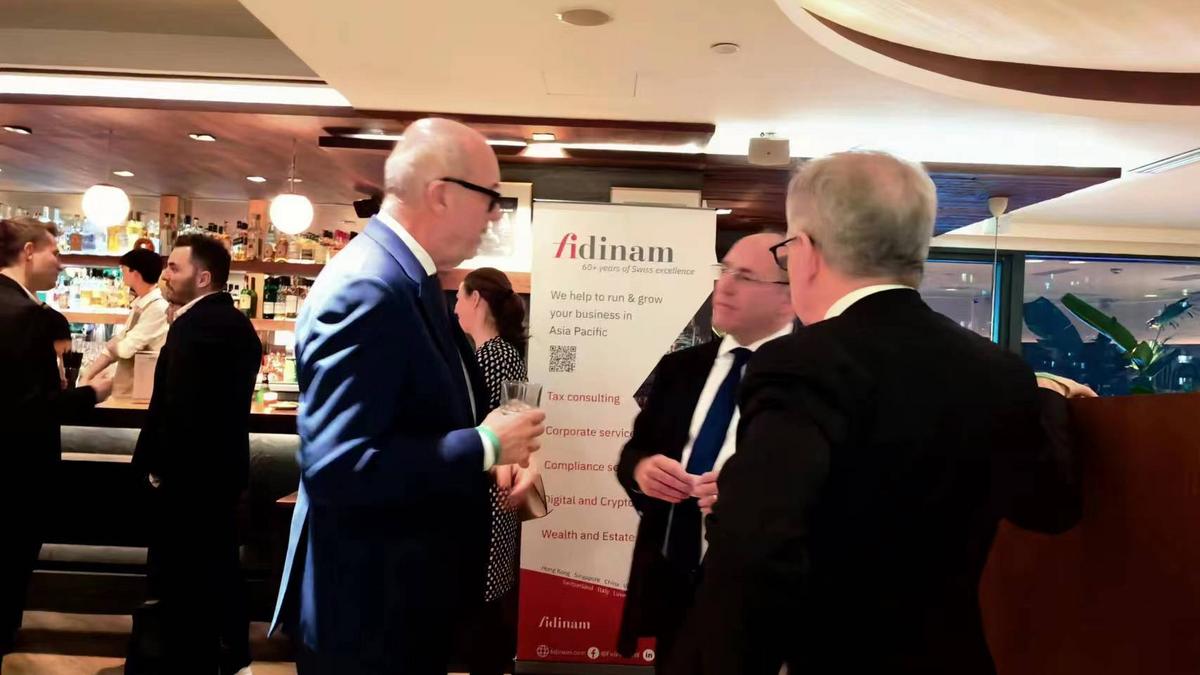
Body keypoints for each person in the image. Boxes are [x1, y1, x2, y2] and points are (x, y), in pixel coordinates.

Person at [667, 151, 1086, 675]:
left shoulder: (801, 362)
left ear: (806, 252)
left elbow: (755, 547)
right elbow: (1050, 508)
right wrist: (1047, 394)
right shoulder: (998, 370)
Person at [271, 118, 547, 674]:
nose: (496, 215)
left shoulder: (411, 280)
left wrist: (493, 449)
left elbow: (417, 420)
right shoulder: (369, 287)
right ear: (441, 194)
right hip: (370, 619)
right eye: (491, 198)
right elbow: (339, 469)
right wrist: (485, 445)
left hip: (402, 607)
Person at [613, 232, 795, 670]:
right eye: (724, 270)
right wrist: (641, 470)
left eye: (745, 276)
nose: (723, 286)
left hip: (758, 598)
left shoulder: (812, 375)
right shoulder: (681, 368)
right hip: (674, 583)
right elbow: (634, 452)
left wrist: (748, 499)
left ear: (787, 297)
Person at [127, 233, 262, 675]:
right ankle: (228, 654)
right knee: (217, 565)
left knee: (188, 575)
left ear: (203, 278)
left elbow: (180, 408)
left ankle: (192, 657)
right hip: (218, 473)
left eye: (174, 267)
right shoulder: (230, 322)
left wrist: (157, 470)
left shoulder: (196, 327)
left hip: (191, 480)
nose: (165, 274)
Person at [0, 218, 111, 663]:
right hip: (15, 470)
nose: (60, 262)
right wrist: (92, 394)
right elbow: (33, 407)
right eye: (54, 252)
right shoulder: (29, 316)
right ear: (28, 252)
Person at [454, 266, 535, 674]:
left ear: (476, 299)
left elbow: (485, 430)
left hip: (486, 496)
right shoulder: (504, 354)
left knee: (482, 609)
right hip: (497, 495)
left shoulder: (490, 356)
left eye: (459, 297)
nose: (454, 307)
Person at [79, 247, 169, 396]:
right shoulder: (141, 304)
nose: (122, 273)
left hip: (144, 392)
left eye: (124, 269)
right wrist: (87, 376)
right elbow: (117, 344)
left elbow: (125, 349)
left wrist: (113, 346)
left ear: (135, 273)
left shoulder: (158, 308)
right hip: (130, 390)